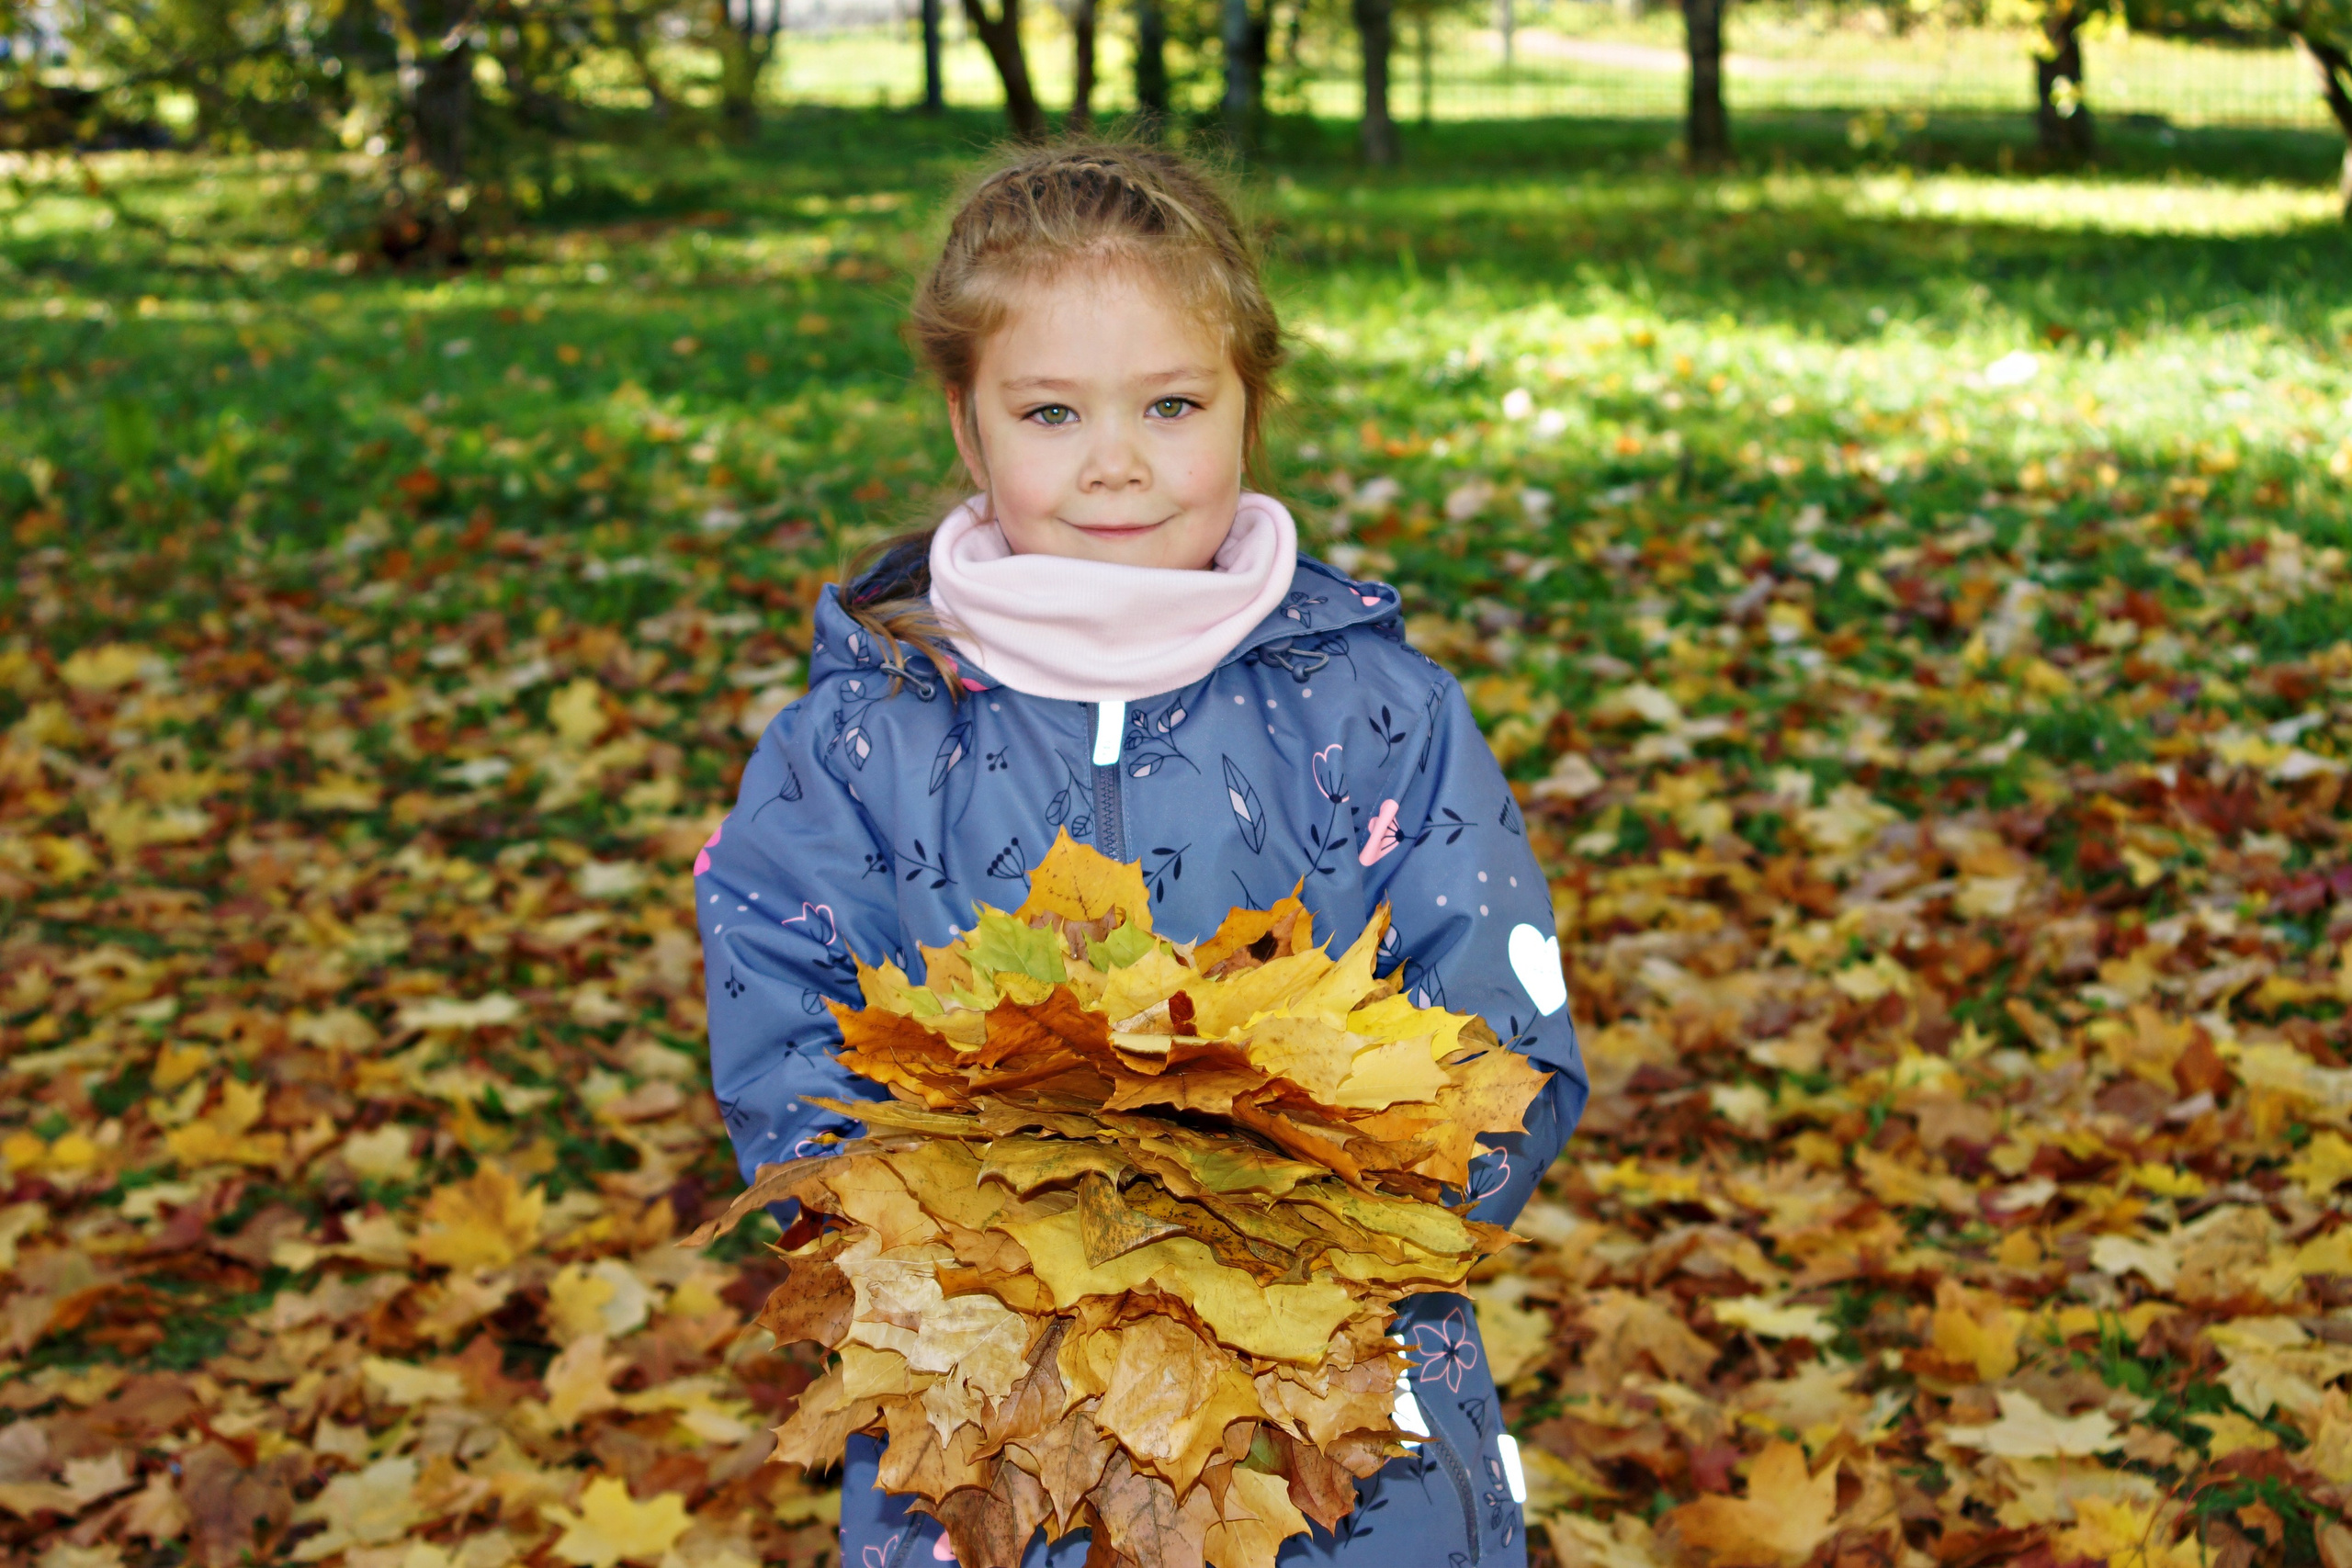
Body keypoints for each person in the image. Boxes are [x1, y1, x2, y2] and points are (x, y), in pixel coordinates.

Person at [695, 140, 1588, 1568]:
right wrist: (1003, 1261)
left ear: (1250, 405)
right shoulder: (858, 744)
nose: (1116, 461)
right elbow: (790, 1045)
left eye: (1172, 403)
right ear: (968, 426)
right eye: (1051, 411)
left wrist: (1271, 1260)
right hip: (998, 1439)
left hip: (1342, 1450)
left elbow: (1502, 1042)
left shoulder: (1374, 713)